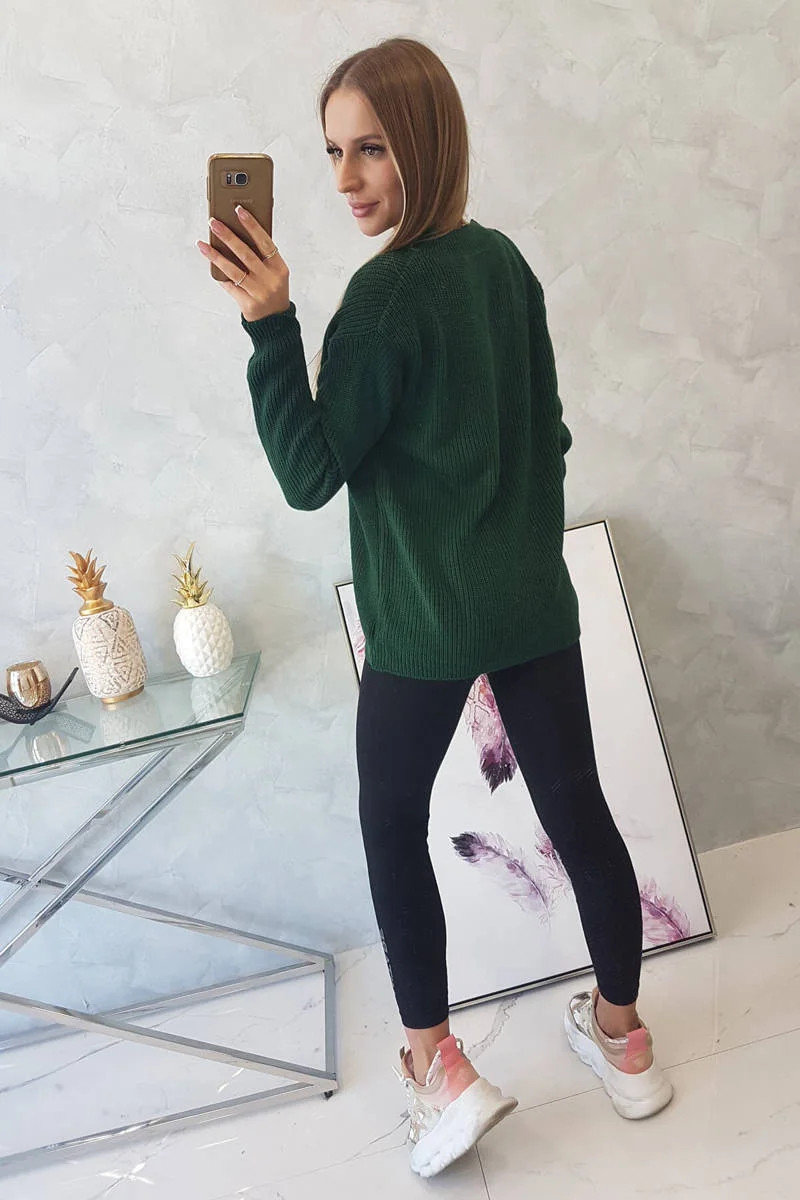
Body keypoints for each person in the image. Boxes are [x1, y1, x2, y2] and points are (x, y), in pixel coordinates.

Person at [197, 35, 673, 1181]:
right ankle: (624, 1044)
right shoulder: (502, 264)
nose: (347, 178)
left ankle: (434, 1068)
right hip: (528, 602)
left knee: (387, 824)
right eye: (331, 154)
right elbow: (548, 434)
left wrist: (269, 325)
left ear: (425, 141)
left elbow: (310, 474)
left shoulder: (382, 298)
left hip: (421, 623)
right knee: (580, 818)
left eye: (370, 148)